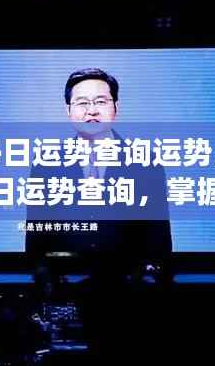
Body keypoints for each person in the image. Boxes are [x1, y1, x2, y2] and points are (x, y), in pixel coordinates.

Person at [26, 68, 171, 265]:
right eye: (82, 103)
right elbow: (36, 239)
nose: (92, 110)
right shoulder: (46, 164)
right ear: (68, 110)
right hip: (66, 278)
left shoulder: (146, 163)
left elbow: (159, 241)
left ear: (116, 107)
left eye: (101, 102)